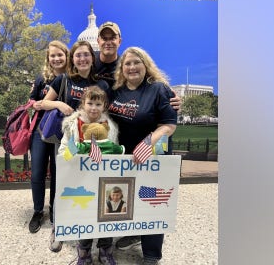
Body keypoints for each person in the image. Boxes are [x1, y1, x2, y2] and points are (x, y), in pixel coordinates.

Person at [96, 21, 180, 252]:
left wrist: (149, 141)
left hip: (152, 155)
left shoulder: (159, 89)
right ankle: (133, 233)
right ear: (121, 68)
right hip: (125, 157)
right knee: (128, 198)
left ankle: (152, 252)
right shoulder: (116, 91)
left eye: (136, 63)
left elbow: (169, 125)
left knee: (153, 202)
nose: (132, 67)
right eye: (127, 63)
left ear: (145, 65)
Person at [41, 40, 109, 253]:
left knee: (90, 185)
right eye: (78, 55)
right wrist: (59, 103)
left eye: (86, 55)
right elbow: (43, 103)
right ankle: (59, 228)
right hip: (67, 140)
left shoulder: (102, 84)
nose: (82, 59)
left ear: (92, 58)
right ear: (73, 59)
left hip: (93, 142)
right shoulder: (64, 79)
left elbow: (108, 109)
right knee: (63, 183)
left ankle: (87, 228)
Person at [57, 86, 119, 264]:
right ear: (83, 104)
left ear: (104, 106)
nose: (93, 108)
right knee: (84, 215)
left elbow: (114, 151)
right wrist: (74, 154)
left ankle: (105, 250)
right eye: (90, 103)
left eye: (98, 104)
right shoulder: (72, 125)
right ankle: (84, 251)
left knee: (107, 215)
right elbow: (63, 151)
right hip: (81, 178)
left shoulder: (110, 127)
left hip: (103, 179)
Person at [28, 40, 69, 235]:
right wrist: (57, 104)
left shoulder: (72, 79)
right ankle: (38, 211)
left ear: (66, 56)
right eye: (52, 55)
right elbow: (34, 102)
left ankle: (55, 208)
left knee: (57, 173)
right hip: (40, 131)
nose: (56, 58)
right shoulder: (41, 79)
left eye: (60, 54)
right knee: (37, 172)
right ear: (48, 58)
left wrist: (49, 104)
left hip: (62, 134)